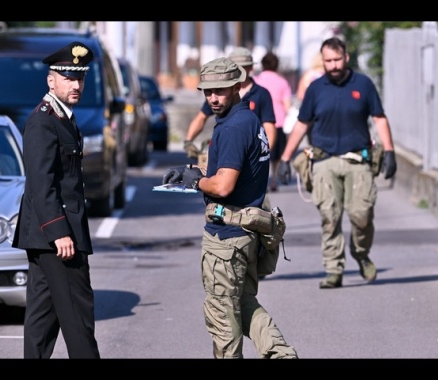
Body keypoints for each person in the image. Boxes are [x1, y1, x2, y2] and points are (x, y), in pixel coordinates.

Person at [163, 57, 298, 359]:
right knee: (244, 302)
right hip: (247, 233)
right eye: (207, 91)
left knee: (222, 318)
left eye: (220, 90)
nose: (212, 97)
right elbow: (230, 167)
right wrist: (191, 170)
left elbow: (223, 185)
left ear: (237, 86)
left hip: (226, 238)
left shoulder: (234, 127)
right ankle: (281, 354)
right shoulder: (247, 119)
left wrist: (196, 182)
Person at [277, 37, 397, 289]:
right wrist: (286, 158)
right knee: (329, 217)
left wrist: (389, 151)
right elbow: (301, 123)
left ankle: (361, 253)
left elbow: (379, 117)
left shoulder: (363, 84)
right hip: (324, 162)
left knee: (362, 215)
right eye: (327, 60)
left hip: (358, 161)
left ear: (346, 58)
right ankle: (333, 269)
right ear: (323, 60)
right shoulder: (316, 87)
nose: (332, 65)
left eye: (337, 59)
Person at [12, 41, 100, 358]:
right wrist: (59, 230)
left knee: (42, 320)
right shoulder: (43, 120)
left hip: (49, 234)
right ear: (52, 80)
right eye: (68, 78)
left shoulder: (63, 118)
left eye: (80, 78)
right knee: (78, 318)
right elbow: (41, 181)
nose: (76, 85)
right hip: (58, 236)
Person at [184, 47, 277, 159]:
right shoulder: (216, 94)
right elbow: (201, 117)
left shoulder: (261, 94)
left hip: (250, 149)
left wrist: (264, 155)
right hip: (225, 145)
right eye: (236, 66)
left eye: (243, 66)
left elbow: (269, 127)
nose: (239, 69)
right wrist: (188, 141)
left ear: (251, 67)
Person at [254, 51, 292, 192]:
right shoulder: (282, 82)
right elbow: (287, 105)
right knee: (276, 155)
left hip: (260, 121)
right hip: (278, 121)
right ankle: (274, 179)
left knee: (260, 153)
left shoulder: (257, 80)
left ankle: (260, 178)